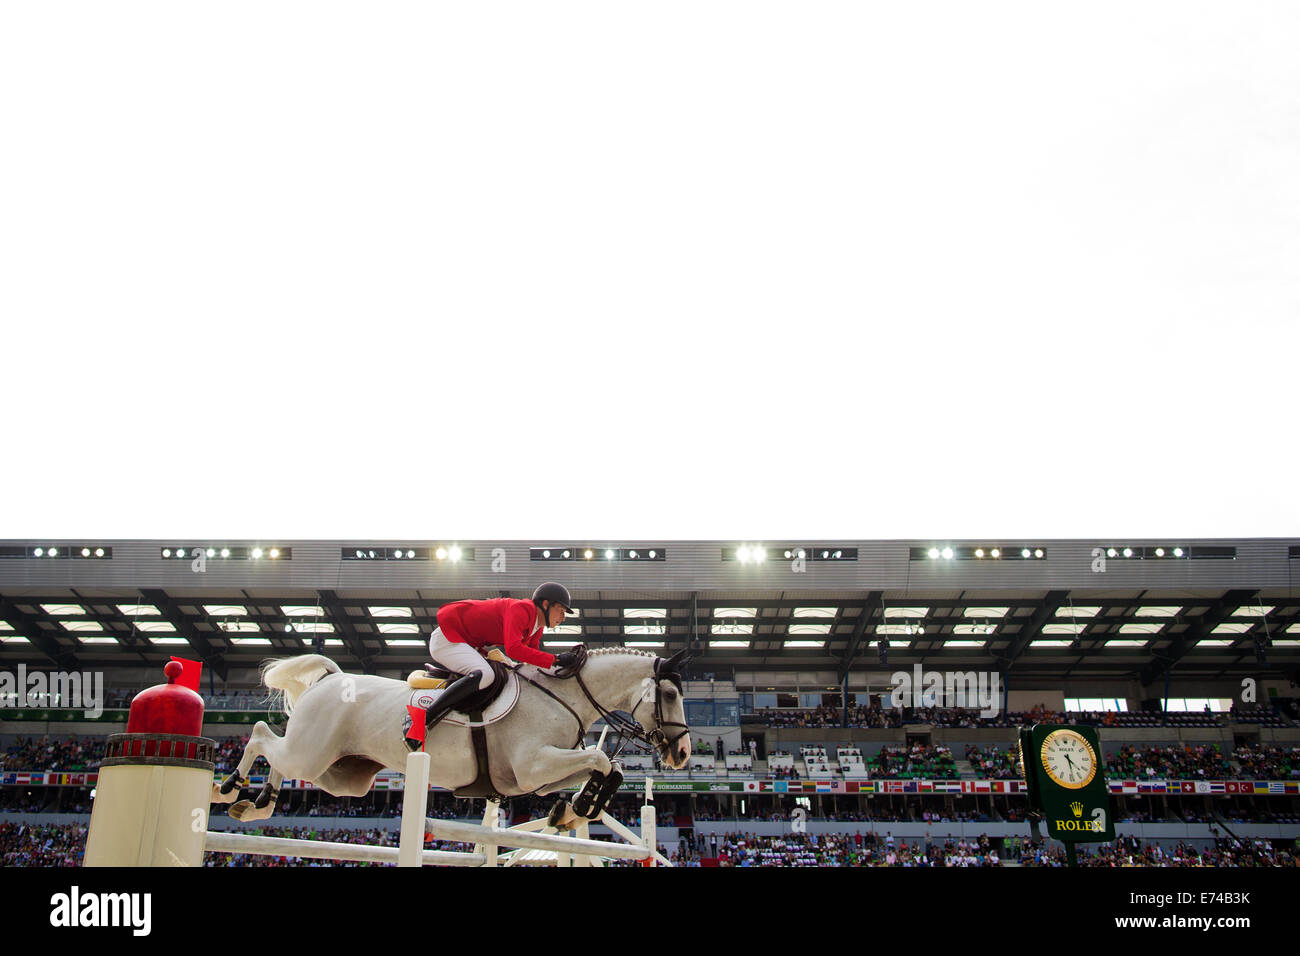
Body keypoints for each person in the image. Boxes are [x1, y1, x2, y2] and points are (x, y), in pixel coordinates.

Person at [414, 583, 579, 742]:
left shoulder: (537, 627)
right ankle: (422, 719)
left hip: (466, 643)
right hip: (448, 638)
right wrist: (556, 659)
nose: (563, 618)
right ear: (545, 604)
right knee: (485, 675)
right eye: (561, 611)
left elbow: (532, 659)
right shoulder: (521, 609)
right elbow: (514, 649)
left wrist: (560, 665)